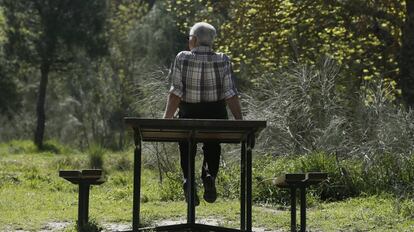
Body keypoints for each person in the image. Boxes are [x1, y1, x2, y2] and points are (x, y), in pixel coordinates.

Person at [163, 22, 243, 205]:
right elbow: (230, 94)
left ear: (194, 39)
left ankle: (188, 181)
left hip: (189, 113)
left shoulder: (182, 57)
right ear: (211, 41)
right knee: (213, 143)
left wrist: (166, 120)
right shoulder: (223, 59)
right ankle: (209, 175)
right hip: (215, 114)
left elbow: (176, 92)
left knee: (186, 144)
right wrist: (240, 121)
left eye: (190, 37)